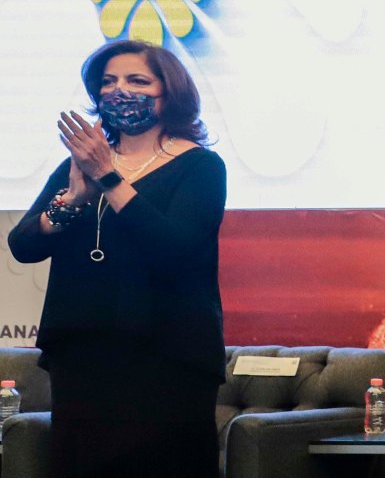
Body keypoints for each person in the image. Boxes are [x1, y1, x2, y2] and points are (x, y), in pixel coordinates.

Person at [8, 39, 227, 478]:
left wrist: (108, 177)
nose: (119, 91)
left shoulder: (200, 167)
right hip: (82, 354)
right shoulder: (77, 165)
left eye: (137, 81)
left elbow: (174, 250)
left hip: (165, 357)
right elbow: (24, 245)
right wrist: (71, 202)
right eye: (108, 82)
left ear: (169, 91)